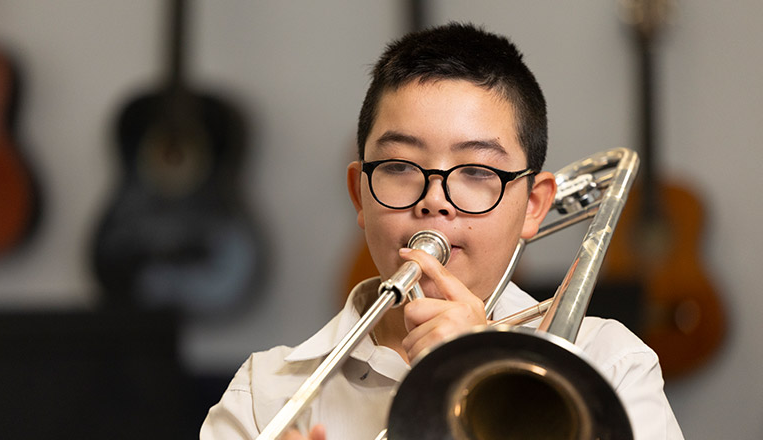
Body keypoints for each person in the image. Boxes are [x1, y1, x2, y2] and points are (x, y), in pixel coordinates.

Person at [201, 22, 684, 440]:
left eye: (476, 171)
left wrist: (485, 375)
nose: (434, 199)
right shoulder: (264, 392)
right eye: (400, 166)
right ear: (359, 196)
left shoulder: (608, 364)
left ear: (533, 206)